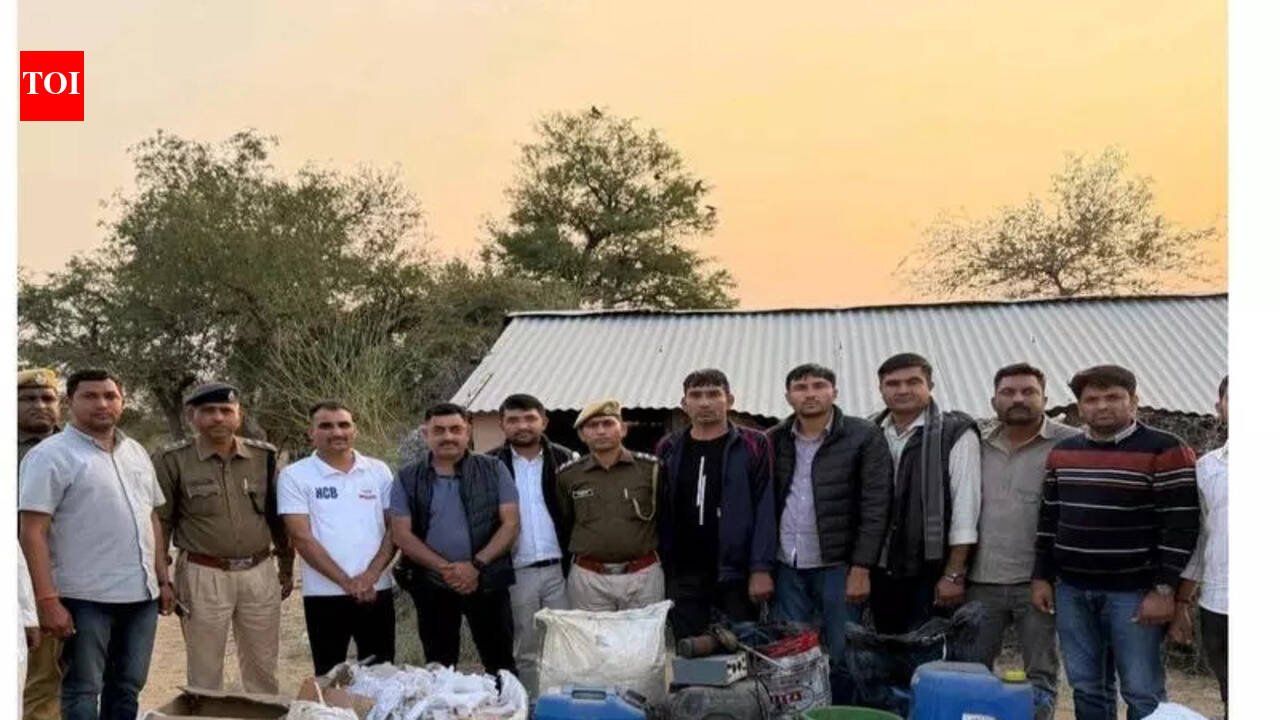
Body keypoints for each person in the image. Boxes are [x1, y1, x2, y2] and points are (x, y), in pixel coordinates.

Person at [1032, 365, 1200, 720]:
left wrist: (1165, 590)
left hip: (1135, 593)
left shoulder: (1166, 449)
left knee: (1142, 691)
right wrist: (1041, 576)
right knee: (1086, 686)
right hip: (1072, 590)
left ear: (1134, 401)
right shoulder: (1063, 452)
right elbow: (1049, 519)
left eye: (1113, 397)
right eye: (1092, 399)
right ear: (1080, 407)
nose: (1102, 406)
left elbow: (1181, 526)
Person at [18, 369, 174, 720]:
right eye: (90, 396)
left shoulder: (136, 451)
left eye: (110, 396)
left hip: (141, 595)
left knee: (127, 685)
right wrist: (47, 600)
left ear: (123, 401)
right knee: (82, 689)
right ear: (69, 402)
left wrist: (163, 580)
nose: (102, 403)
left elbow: (150, 517)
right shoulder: (49, 456)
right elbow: (33, 532)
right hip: (84, 599)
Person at [152, 382, 295, 693]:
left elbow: (277, 517)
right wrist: (163, 579)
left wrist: (286, 565)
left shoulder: (263, 456)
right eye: (208, 411)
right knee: (205, 671)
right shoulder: (173, 460)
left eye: (226, 410)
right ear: (191, 416)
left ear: (238, 415)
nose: (218, 417)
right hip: (204, 573)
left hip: (259, 572)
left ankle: (260, 713)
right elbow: (161, 523)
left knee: (263, 667)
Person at [768, 363, 892, 705]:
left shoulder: (863, 435)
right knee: (792, 652)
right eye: (801, 387)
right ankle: (802, 711)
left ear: (834, 392)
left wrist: (862, 567)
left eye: (818, 386)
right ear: (788, 396)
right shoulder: (775, 439)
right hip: (787, 563)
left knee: (844, 652)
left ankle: (842, 711)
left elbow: (876, 505)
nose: (810, 394)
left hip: (840, 564)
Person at [968, 363, 1079, 720]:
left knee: (1040, 675)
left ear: (1045, 398)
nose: (1018, 398)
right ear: (993, 401)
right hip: (980, 580)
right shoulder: (975, 444)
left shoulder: (1072, 443)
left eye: (1028, 391)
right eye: (1008, 392)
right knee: (972, 671)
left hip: (1041, 583)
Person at [390, 402, 520, 675]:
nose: (447, 436)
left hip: (487, 581)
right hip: (432, 583)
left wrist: (475, 566)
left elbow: (510, 524)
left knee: (501, 663)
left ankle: (505, 703)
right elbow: (401, 534)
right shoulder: (407, 478)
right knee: (440, 665)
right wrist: (447, 570)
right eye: (439, 430)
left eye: (455, 429)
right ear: (425, 434)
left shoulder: (494, 469)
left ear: (467, 432)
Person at [656, 369, 777, 640]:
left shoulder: (753, 443)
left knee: (742, 646)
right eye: (696, 395)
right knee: (689, 649)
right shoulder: (669, 446)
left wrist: (760, 568)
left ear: (730, 400)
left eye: (713, 394)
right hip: (684, 571)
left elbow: (765, 507)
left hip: (736, 571)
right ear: (684, 403)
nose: (705, 403)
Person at [278, 401, 397, 676]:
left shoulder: (378, 470)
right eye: (326, 426)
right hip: (324, 594)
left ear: (355, 430)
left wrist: (371, 576)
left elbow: (394, 528)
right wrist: (347, 582)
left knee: (382, 675)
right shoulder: (294, 476)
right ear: (311, 433)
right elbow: (301, 537)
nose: (337, 432)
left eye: (344, 425)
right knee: (329, 677)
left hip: (376, 590)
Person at [870, 353, 981, 634]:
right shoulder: (870, 432)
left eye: (913, 382)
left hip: (930, 567)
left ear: (930, 385)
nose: (902, 390)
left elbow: (965, 509)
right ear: (881, 389)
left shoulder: (955, 433)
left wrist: (953, 574)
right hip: (878, 565)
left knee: (927, 647)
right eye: (893, 383)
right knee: (885, 646)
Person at [486, 394, 577, 690]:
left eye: (530, 419)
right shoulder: (489, 464)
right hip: (517, 571)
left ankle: (563, 703)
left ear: (544, 421)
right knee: (525, 647)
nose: (522, 426)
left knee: (566, 643)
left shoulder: (566, 460)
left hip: (561, 569)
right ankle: (531, 703)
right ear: (502, 424)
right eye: (513, 420)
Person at [556, 399, 664, 611]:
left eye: (607, 423)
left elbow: (664, 516)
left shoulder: (651, 469)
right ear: (581, 435)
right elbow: (565, 519)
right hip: (589, 578)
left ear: (623, 429)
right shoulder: (568, 475)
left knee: (645, 633)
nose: (601, 431)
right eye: (592, 426)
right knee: (591, 633)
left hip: (643, 576)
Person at [1171, 375, 1228, 718]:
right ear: (1220, 407)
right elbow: (1200, 538)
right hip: (1221, 605)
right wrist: (1182, 602)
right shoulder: (1207, 468)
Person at [16, 368, 64, 720]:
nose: (40, 405)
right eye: (28, 398)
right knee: (39, 680)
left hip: (83, 579)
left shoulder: (80, 446)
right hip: (28, 583)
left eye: (48, 398)